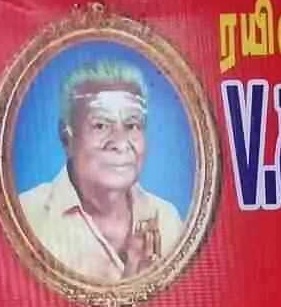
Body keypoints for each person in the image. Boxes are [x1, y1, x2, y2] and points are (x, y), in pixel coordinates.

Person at [15, 56, 184, 285]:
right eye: (101, 125)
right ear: (66, 138)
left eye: (132, 125)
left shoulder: (167, 218)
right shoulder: (26, 217)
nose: (121, 143)